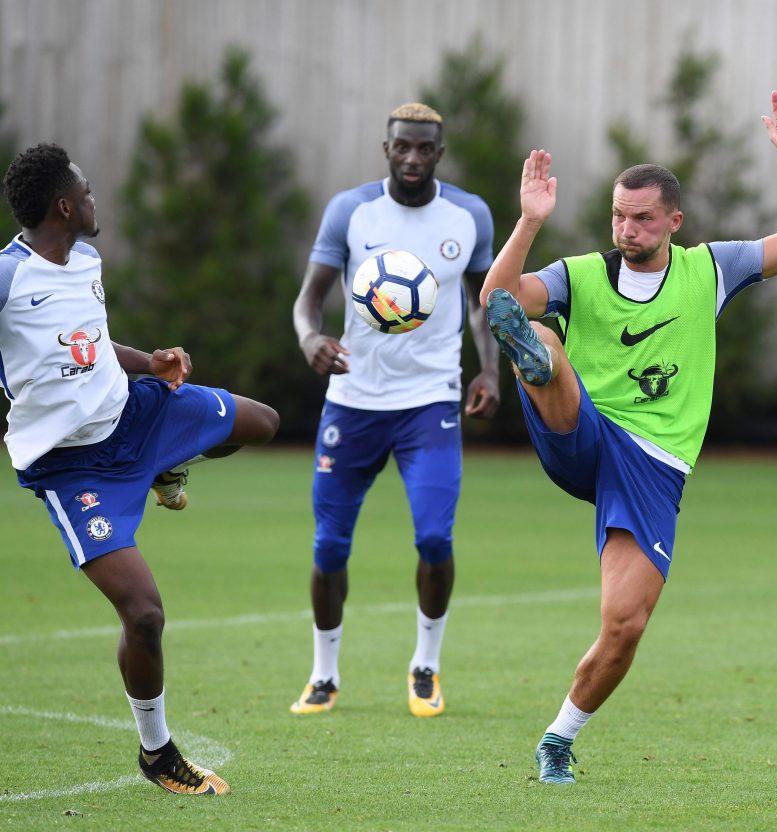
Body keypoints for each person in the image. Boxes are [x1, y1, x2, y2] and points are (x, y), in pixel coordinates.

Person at [480, 88, 777, 783]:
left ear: (673, 220)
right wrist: (527, 223)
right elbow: (494, 299)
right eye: (616, 216)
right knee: (534, 330)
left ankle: (558, 740)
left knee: (625, 624)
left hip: (654, 467)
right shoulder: (581, 275)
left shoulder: (709, 269)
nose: (626, 229)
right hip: (580, 431)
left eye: (641, 219)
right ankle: (537, 359)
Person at [0, 143, 280, 795]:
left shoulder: (85, 262)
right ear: (64, 206)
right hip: (76, 470)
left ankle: (168, 466)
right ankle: (158, 752)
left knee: (260, 423)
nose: (97, 199)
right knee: (145, 614)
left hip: (137, 415)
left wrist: (148, 363)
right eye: (88, 191)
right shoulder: (8, 277)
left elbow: (90, 344)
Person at [290, 103, 500, 718]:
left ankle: (426, 666)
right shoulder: (350, 211)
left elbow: (483, 304)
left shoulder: (469, 216)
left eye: (424, 149)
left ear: (440, 152)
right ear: (386, 149)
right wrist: (310, 340)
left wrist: (490, 368)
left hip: (429, 402)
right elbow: (308, 302)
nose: (412, 158)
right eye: (401, 147)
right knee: (329, 547)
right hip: (353, 402)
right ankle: (324, 674)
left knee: (435, 537)